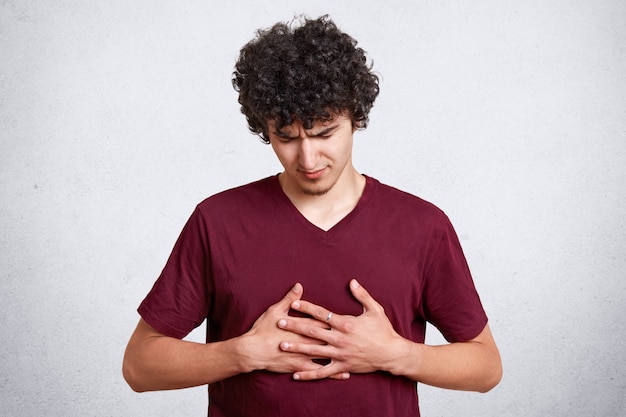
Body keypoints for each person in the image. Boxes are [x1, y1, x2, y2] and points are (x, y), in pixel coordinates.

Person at [122, 15, 502, 417]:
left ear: (355, 118)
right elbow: (139, 366)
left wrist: (398, 355)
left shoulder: (422, 226)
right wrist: (241, 353)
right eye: (285, 137)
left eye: (324, 133)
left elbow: (486, 367)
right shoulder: (217, 222)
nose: (307, 158)